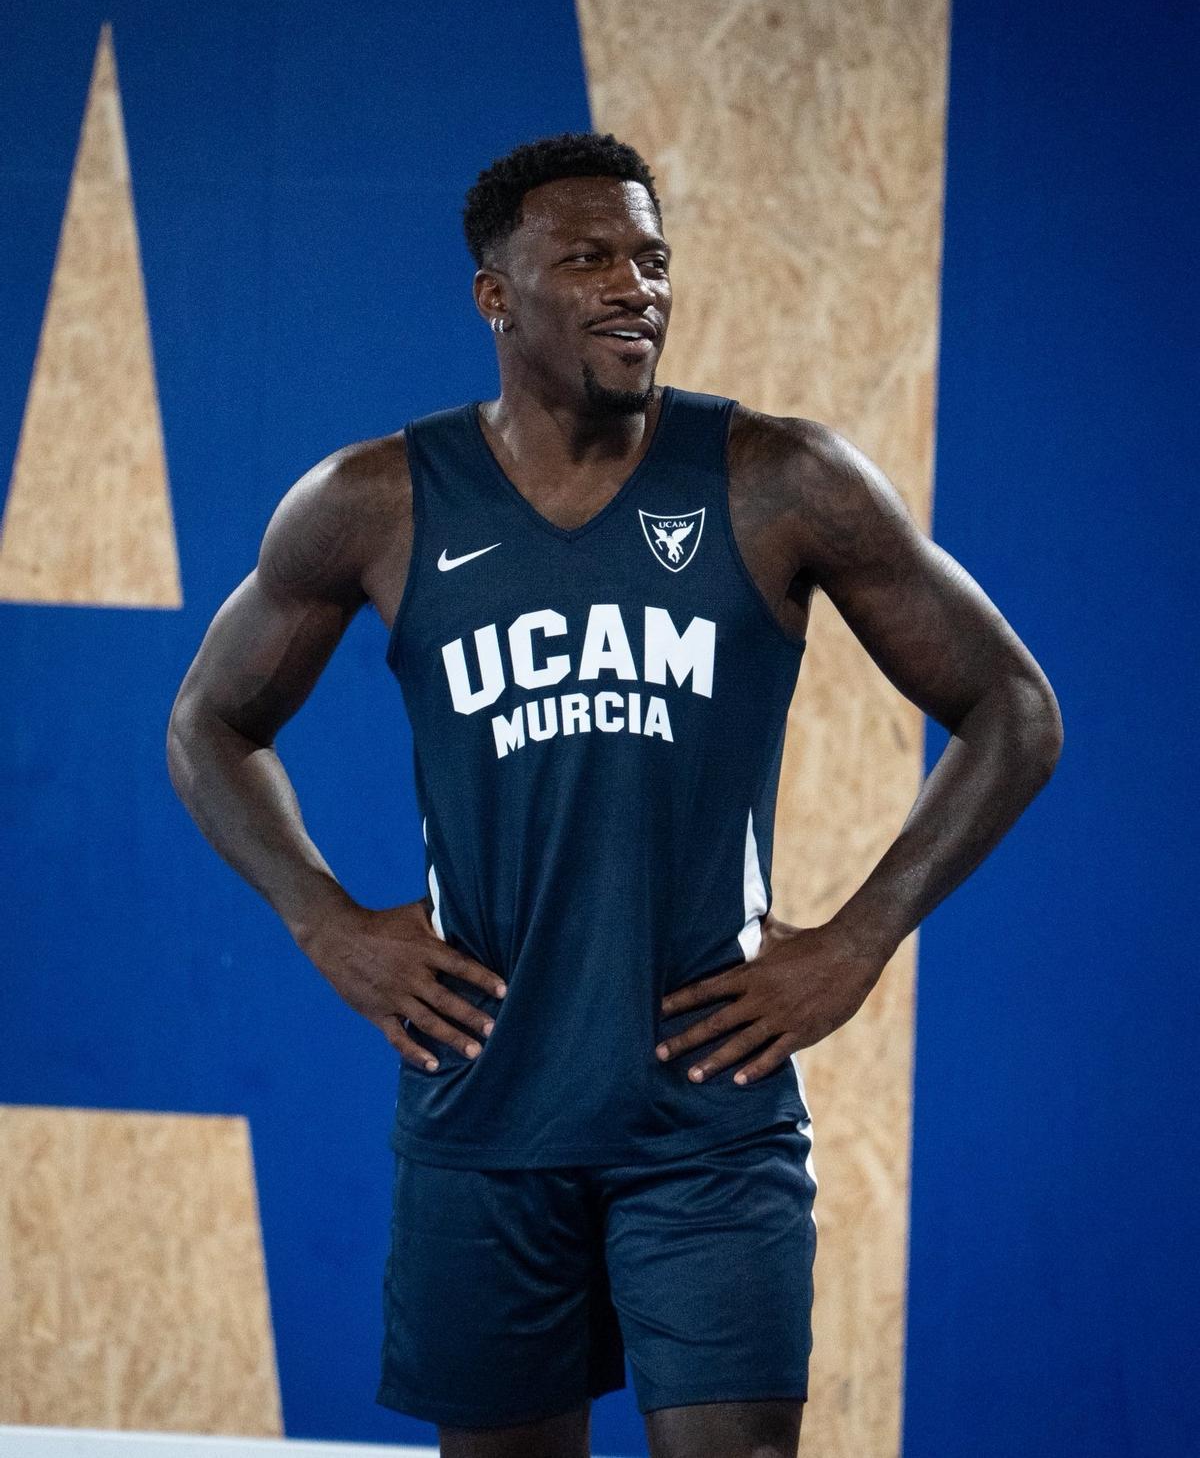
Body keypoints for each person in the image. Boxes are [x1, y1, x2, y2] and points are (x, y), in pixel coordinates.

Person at [166, 131, 1062, 1458]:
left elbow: (1014, 708)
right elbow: (209, 722)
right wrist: (324, 918)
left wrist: (859, 941)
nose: (633, 286)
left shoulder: (777, 482)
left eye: (651, 260)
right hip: (484, 1110)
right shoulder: (378, 502)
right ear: (495, 295)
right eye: (587, 258)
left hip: (706, 1112)